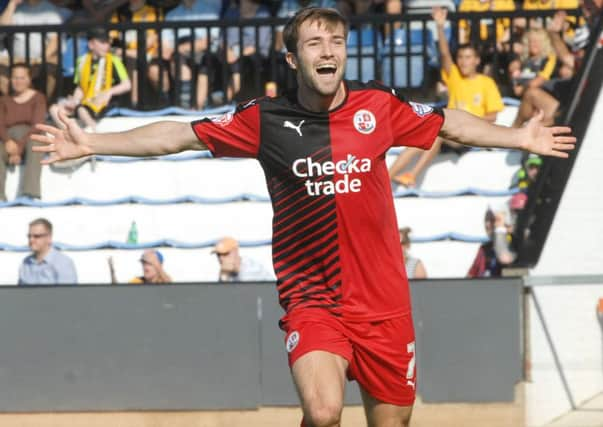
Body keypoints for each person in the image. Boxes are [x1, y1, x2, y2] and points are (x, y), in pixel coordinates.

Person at [31, 7, 575, 426]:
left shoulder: (377, 108)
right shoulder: (264, 120)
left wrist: (517, 135)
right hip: (314, 299)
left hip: (384, 304)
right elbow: (177, 134)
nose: (328, 49)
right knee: (322, 412)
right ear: (293, 59)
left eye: (336, 41)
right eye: (314, 42)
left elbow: (449, 123)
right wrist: (93, 142)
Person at [388, 6, 505, 188]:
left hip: (471, 134)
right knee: (426, 135)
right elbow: (444, 53)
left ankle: (412, 175)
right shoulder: (455, 77)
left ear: (477, 60)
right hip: (449, 131)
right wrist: (440, 27)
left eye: (468, 57)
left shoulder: (486, 82)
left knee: (437, 131)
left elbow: (493, 116)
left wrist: (468, 120)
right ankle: (389, 177)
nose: (464, 61)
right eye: (461, 57)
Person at [49, 27, 131, 132]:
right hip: (85, 101)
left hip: (105, 102)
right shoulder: (81, 61)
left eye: (107, 42)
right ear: (91, 44)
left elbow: (126, 85)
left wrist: (109, 92)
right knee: (55, 109)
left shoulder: (114, 60)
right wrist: (75, 100)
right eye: (102, 42)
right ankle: (68, 134)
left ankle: (93, 133)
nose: (107, 46)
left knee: (81, 109)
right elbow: (80, 87)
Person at [0, 63, 46, 200]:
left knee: (36, 142)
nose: (18, 81)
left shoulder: (38, 98)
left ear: (28, 79)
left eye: (22, 78)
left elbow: (37, 125)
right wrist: (8, 141)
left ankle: (30, 193)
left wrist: (18, 148)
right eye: (14, 78)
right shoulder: (4, 100)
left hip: (30, 136)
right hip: (8, 137)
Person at [18, 217, 78, 285]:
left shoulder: (63, 263)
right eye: (29, 236)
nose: (31, 240)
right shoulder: (25, 263)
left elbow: (67, 294)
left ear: (49, 237)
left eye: (37, 236)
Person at [467, 208, 516, 278]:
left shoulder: (513, 244)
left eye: (493, 220)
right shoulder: (484, 249)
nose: (487, 224)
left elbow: (505, 259)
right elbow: (471, 275)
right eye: (486, 220)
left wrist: (501, 231)